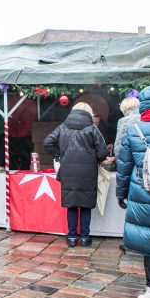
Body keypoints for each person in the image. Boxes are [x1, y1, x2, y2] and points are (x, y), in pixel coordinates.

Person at [116, 85, 150, 298]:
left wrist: (121, 194)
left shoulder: (133, 129)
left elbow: (124, 166)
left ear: (143, 104)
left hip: (144, 194)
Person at [43, 102, 108, 247]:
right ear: (88, 113)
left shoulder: (62, 127)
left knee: (71, 204)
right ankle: (85, 237)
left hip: (68, 170)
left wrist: (60, 155)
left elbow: (47, 142)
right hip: (88, 171)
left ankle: (72, 237)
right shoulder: (92, 129)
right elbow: (103, 152)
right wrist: (94, 159)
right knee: (85, 204)